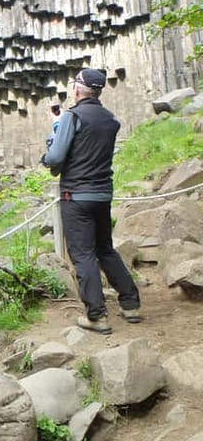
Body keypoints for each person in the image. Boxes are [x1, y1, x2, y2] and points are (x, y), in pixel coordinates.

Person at [41, 68, 141, 334]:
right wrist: (59, 125)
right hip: (102, 194)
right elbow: (88, 145)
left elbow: (55, 159)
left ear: (77, 89)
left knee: (83, 255)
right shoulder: (110, 119)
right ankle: (130, 304)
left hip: (76, 196)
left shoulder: (72, 117)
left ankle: (97, 316)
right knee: (105, 249)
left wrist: (52, 141)